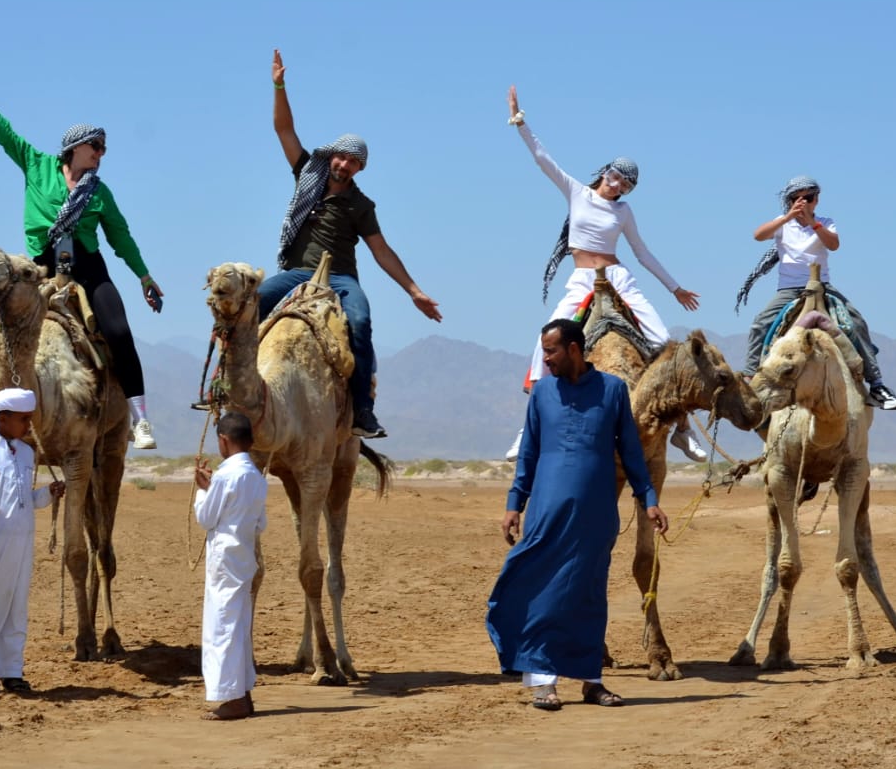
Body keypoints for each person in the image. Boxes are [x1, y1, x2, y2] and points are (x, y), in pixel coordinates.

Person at [0, 67, 163, 450]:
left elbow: (120, 237)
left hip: (89, 267)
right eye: (97, 147)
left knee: (119, 331)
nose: (101, 154)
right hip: (40, 267)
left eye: (103, 149)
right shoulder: (36, 164)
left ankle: (139, 420)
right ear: (76, 147)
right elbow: (4, 134)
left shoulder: (100, 193)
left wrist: (144, 277)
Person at [505, 86, 708, 462]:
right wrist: (521, 122)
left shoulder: (624, 213)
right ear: (606, 173)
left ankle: (683, 428)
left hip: (619, 280)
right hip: (582, 280)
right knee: (544, 342)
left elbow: (642, 252)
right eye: (616, 177)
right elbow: (543, 159)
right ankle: (528, 427)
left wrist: (675, 288)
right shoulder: (577, 193)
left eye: (626, 185)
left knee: (663, 340)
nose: (618, 185)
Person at [486, 319, 669, 711]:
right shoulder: (542, 393)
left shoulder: (613, 391)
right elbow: (529, 455)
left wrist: (648, 498)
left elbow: (632, 454)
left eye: (550, 351)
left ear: (573, 349)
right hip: (546, 512)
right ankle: (543, 682)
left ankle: (592, 681)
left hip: (596, 512)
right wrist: (514, 504)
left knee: (589, 594)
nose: (545, 359)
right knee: (542, 591)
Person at [259, 49, 442, 439]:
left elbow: (381, 250)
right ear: (332, 157)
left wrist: (414, 291)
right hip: (296, 274)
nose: (344, 165)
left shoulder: (361, 205)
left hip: (340, 278)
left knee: (359, 320)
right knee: (246, 303)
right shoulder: (306, 174)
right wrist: (278, 85)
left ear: (359, 168)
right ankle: (227, 385)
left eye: (353, 162)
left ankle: (363, 409)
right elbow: (284, 131)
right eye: (341, 157)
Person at [735, 175, 896, 410]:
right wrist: (789, 217)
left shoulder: (825, 222)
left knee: (856, 323)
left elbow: (833, 244)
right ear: (790, 200)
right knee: (759, 324)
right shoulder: (783, 224)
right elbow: (758, 235)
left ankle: (876, 385)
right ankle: (750, 379)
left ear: (817, 199)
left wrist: (813, 224)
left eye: (809, 197)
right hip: (790, 288)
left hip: (822, 285)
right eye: (797, 198)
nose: (804, 202)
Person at [0, 387, 65, 694]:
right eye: (24, 419)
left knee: (16, 606)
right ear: (3, 418)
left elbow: (27, 500)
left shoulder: (26, 453)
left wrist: (47, 494)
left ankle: (12, 670)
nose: (29, 426)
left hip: (23, 542)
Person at [192, 411, 269, 721]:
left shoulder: (226, 475)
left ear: (224, 440)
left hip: (224, 558)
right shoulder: (256, 476)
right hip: (244, 555)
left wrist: (202, 489)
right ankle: (243, 693)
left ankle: (232, 699)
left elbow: (205, 518)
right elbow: (259, 523)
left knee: (222, 626)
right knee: (237, 625)